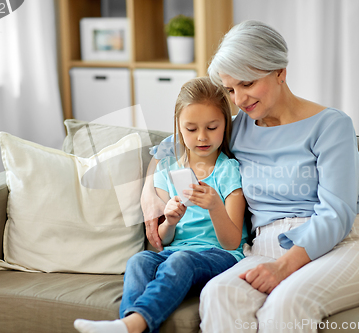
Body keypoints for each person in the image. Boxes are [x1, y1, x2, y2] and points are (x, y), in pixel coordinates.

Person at [141, 21, 359, 332]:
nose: (240, 99)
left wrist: (284, 267)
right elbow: (172, 144)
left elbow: (337, 213)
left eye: (247, 84)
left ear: (280, 71)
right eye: (230, 90)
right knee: (218, 294)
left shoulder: (331, 126)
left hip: (344, 244)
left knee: (287, 304)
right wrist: (149, 190)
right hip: (265, 247)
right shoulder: (237, 128)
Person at [74, 77, 248, 333]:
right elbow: (165, 241)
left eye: (212, 127)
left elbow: (232, 242)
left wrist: (215, 207)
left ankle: (132, 324)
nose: (202, 137)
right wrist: (171, 221)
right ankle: (129, 325)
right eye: (191, 129)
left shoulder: (228, 171)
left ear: (225, 125)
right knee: (139, 261)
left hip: (220, 256)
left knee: (182, 260)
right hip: (175, 252)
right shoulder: (167, 170)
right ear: (178, 127)